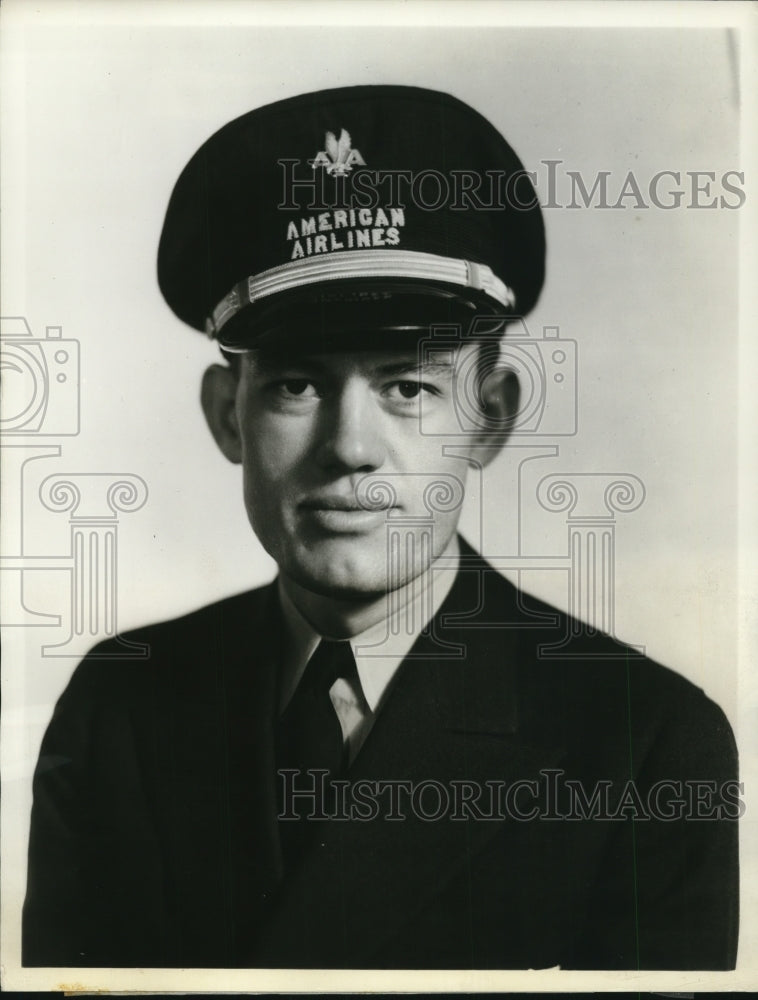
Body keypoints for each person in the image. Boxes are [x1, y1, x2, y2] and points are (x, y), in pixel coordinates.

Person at [22, 84, 738, 971]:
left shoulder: (641, 748)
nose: (350, 449)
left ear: (492, 416)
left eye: (409, 386)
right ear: (226, 417)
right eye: (295, 385)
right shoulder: (117, 714)